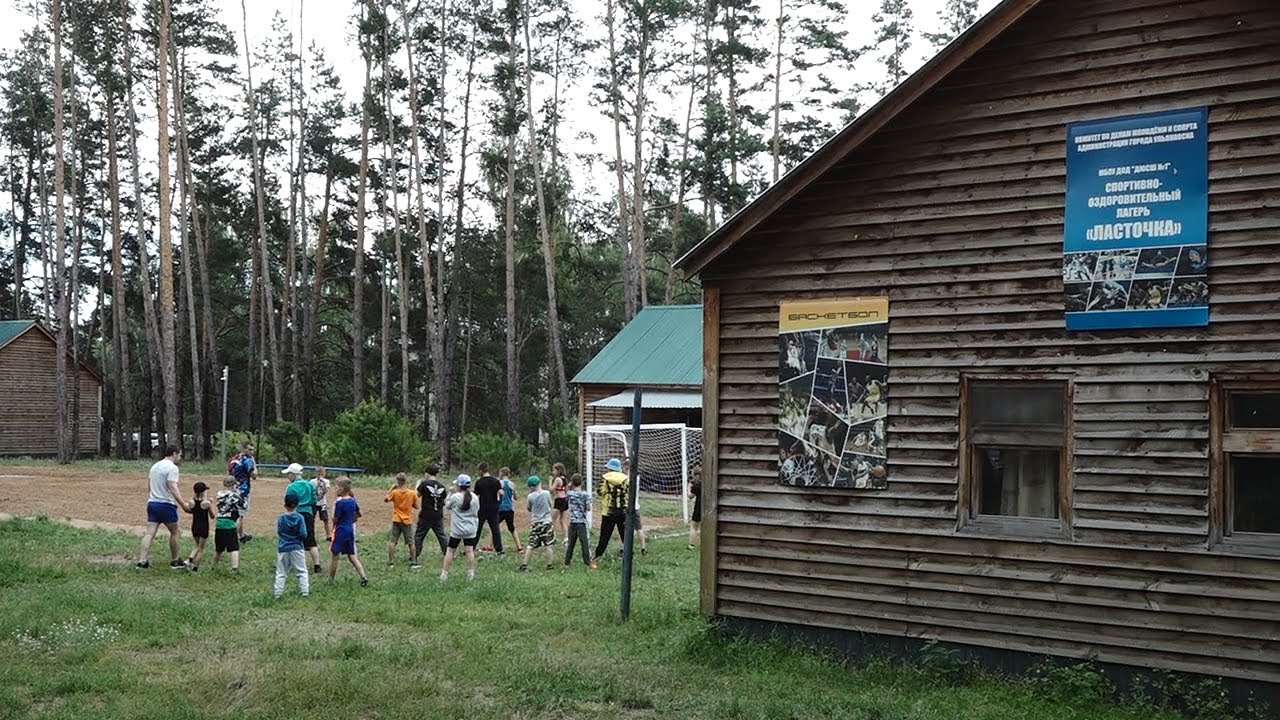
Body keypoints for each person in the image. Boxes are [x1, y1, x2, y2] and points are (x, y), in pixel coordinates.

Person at [137, 444, 190, 570]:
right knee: (175, 531)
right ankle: (175, 560)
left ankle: (142, 560)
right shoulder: (172, 468)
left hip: (152, 503)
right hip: (166, 504)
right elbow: (172, 487)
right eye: (180, 455)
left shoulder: (155, 466)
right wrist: (183, 504)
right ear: (174, 454)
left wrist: (153, 495)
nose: (180, 458)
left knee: (149, 533)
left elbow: (149, 484)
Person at [327, 476, 369, 587]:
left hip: (340, 530)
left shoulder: (339, 503)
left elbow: (335, 519)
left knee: (335, 556)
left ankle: (330, 580)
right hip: (350, 529)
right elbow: (359, 514)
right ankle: (363, 577)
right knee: (352, 556)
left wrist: (334, 523)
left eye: (337, 487)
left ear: (342, 489)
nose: (335, 489)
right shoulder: (352, 501)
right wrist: (351, 520)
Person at [283, 463, 322, 574]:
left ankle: (293, 563)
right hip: (308, 513)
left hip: (296, 513)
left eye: (289, 474)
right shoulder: (309, 485)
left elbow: (288, 501)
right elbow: (314, 499)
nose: (288, 476)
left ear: (293, 474)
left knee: (294, 538)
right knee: (311, 539)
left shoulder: (291, 487)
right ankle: (317, 565)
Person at [441, 474, 479, 582]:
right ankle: (470, 575)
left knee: (450, 551)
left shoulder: (455, 497)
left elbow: (447, 505)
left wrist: (450, 492)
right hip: (471, 529)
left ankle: (444, 575)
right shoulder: (474, 497)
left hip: (457, 530)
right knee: (469, 551)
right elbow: (477, 511)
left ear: (458, 485)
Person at [273, 493, 310, 599]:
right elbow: (303, 534)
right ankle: (305, 592)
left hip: (283, 547)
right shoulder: (300, 518)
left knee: (281, 571)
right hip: (297, 547)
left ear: (285, 505)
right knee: (301, 570)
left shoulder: (281, 518)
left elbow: (279, 531)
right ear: (297, 505)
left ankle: (278, 593)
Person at [593, 457, 629, 560]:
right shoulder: (625, 478)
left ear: (609, 468)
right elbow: (627, 491)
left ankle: (598, 555)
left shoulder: (604, 478)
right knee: (624, 535)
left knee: (604, 535)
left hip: (608, 511)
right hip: (622, 510)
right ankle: (629, 556)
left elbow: (600, 491)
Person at [519, 476, 555, 571]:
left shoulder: (530, 496)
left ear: (531, 487)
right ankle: (549, 565)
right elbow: (550, 504)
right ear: (540, 483)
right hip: (547, 522)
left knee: (531, 545)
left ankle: (524, 564)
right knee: (548, 544)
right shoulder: (546, 493)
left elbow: (529, 508)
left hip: (535, 522)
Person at [384, 472, 419, 568]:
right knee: (411, 542)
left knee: (393, 541)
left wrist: (391, 488)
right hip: (407, 520)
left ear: (397, 481)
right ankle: (414, 561)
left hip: (396, 519)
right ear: (406, 481)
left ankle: (391, 562)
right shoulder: (411, 493)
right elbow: (416, 506)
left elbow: (386, 499)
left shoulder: (395, 492)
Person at [414, 465, 449, 558]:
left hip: (426, 514)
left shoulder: (424, 484)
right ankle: (448, 553)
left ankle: (415, 554)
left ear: (427, 473)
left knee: (419, 535)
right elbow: (443, 501)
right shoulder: (442, 486)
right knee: (441, 535)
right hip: (438, 514)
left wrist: (417, 485)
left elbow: (415, 497)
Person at [213, 475, 245, 572]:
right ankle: (234, 568)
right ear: (233, 485)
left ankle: (214, 566)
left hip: (219, 523)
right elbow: (243, 504)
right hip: (229, 523)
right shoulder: (233, 495)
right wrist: (238, 493)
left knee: (218, 548)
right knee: (234, 547)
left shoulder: (219, 494)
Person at [563, 474, 595, 569]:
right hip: (581, 522)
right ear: (581, 483)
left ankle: (567, 562)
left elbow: (566, 492)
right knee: (584, 543)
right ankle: (587, 562)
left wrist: (569, 485)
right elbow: (588, 508)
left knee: (571, 543)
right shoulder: (585, 495)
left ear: (572, 483)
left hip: (573, 522)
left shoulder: (570, 494)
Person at [471, 463, 504, 554]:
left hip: (482, 507)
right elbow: (501, 493)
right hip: (493, 507)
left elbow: (475, 496)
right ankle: (499, 549)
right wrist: (498, 503)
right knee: (495, 529)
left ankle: (472, 547)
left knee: (477, 528)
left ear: (481, 470)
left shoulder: (479, 482)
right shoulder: (496, 481)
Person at [229, 442, 257, 543]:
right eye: (250, 450)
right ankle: (233, 538)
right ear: (244, 449)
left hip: (232, 488)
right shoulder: (248, 460)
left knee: (234, 512)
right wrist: (254, 464)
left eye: (252, 450)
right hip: (243, 490)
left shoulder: (233, 459)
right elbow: (254, 476)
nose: (251, 452)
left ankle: (241, 535)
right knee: (240, 515)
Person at [185, 482, 214, 571]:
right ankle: (195, 568)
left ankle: (189, 560)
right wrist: (210, 503)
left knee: (197, 546)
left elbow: (191, 509)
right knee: (201, 549)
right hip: (204, 527)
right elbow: (212, 516)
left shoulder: (191, 502)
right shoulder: (206, 504)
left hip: (194, 526)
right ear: (203, 492)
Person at [497, 467, 523, 552]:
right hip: (510, 508)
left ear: (501, 473)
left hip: (501, 508)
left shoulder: (499, 483)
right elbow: (515, 497)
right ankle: (519, 547)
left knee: (494, 526)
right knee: (512, 528)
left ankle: (490, 546)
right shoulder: (512, 484)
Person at [549, 463, 570, 541]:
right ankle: (566, 537)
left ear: (558, 471)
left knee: (553, 519)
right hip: (565, 500)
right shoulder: (564, 479)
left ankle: (553, 536)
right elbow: (566, 490)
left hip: (559, 500)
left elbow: (551, 489)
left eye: (554, 470)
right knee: (562, 521)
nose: (553, 472)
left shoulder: (558, 479)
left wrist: (550, 481)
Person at [311, 466, 332, 542]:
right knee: (311, 518)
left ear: (324, 474)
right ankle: (311, 534)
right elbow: (312, 491)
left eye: (322, 474)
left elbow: (326, 490)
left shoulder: (326, 481)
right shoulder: (312, 481)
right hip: (314, 503)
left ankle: (328, 534)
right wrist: (317, 484)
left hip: (323, 503)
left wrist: (322, 482)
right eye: (318, 474)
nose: (320, 476)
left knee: (325, 519)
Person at [688, 470, 703, 550]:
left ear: (697, 475)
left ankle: (691, 545)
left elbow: (690, 496)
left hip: (698, 507)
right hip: (707, 507)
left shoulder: (697, 485)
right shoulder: (707, 483)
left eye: (693, 476)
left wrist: (688, 487)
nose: (692, 478)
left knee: (694, 526)